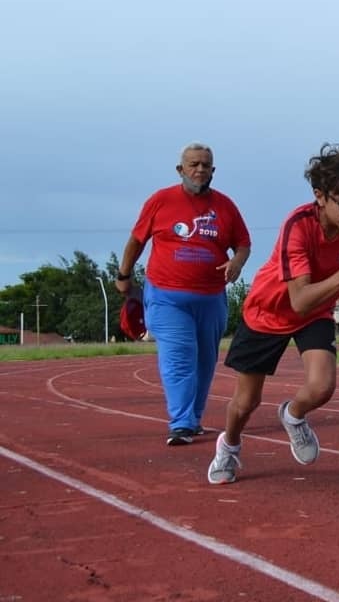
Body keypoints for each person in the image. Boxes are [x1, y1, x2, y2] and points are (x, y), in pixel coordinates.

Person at [206, 143, 339, 484]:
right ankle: (229, 445)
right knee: (245, 403)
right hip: (269, 312)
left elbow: (309, 307)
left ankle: (293, 415)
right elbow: (298, 299)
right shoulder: (297, 226)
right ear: (320, 196)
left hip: (316, 313)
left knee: (322, 387)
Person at [116, 142, 251, 447]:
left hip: (211, 297)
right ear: (181, 169)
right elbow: (136, 241)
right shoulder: (161, 201)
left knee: (205, 360)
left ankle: (194, 417)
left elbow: (243, 244)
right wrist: (124, 275)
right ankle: (181, 423)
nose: (199, 170)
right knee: (179, 356)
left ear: (213, 171)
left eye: (205, 165)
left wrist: (237, 263)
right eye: (193, 164)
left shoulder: (225, 206)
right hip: (167, 297)